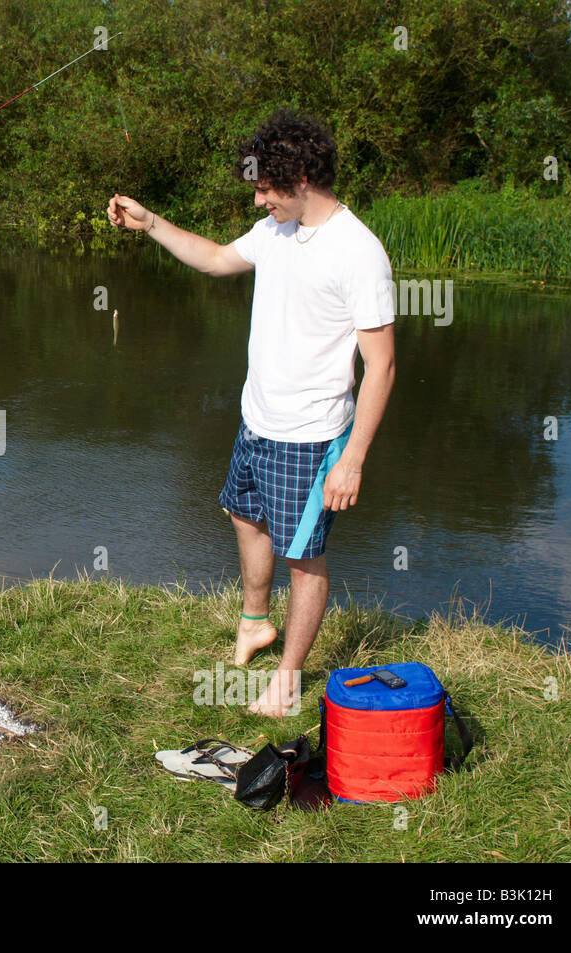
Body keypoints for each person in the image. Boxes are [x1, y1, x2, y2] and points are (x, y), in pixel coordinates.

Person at [107, 109, 396, 715]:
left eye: (266, 188)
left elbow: (382, 366)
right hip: (256, 420)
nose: (259, 199)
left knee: (304, 556)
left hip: (311, 438)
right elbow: (215, 260)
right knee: (243, 515)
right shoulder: (276, 233)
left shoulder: (358, 253)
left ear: (301, 180)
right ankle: (255, 623)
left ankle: (288, 678)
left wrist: (354, 461)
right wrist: (151, 223)